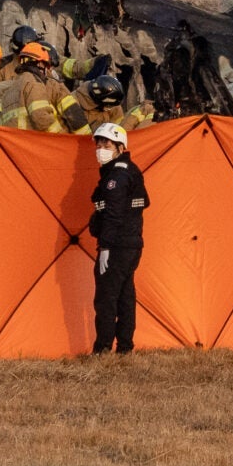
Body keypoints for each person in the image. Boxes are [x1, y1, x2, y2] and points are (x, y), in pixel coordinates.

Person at [86, 122, 147, 355]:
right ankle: (124, 348)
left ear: (120, 146)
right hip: (131, 244)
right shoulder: (129, 170)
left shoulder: (117, 176)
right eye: (98, 143)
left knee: (106, 298)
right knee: (125, 296)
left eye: (107, 143)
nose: (101, 147)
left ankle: (102, 349)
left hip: (118, 246)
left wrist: (105, 247)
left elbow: (113, 214)